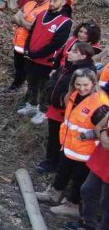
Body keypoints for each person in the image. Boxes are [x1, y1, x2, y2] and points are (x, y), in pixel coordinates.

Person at [35, 69, 109, 218]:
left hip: (85, 152)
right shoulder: (74, 95)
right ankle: (54, 193)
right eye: (78, 84)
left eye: (85, 85)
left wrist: (85, 136)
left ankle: (73, 205)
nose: (82, 88)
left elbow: (103, 129)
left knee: (78, 180)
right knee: (63, 171)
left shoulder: (101, 103)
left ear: (93, 83)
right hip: (69, 145)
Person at [36, 42, 96, 174]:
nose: (69, 53)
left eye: (74, 51)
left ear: (83, 56)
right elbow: (54, 79)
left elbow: (80, 94)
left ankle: (53, 164)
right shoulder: (68, 66)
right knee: (53, 136)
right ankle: (50, 160)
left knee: (58, 138)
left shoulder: (85, 73)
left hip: (66, 112)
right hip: (55, 108)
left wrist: (63, 100)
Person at [18, 0, 73, 118]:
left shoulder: (65, 22)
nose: (52, 3)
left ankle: (42, 111)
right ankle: (31, 105)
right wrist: (27, 49)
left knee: (44, 87)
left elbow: (56, 44)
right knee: (31, 83)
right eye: (51, 0)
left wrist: (37, 54)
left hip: (46, 61)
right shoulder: (42, 14)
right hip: (31, 57)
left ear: (63, 2)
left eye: (55, 1)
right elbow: (31, 33)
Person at [69, 114, 109, 230]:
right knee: (87, 190)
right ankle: (89, 224)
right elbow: (98, 126)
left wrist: (103, 132)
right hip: (102, 160)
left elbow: (106, 143)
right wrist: (102, 131)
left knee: (106, 203)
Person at [7, 0, 52, 91]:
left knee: (25, 69)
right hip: (18, 42)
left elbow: (32, 28)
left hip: (29, 45)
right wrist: (24, 22)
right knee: (18, 67)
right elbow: (14, 17)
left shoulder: (46, 11)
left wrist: (21, 19)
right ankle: (16, 85)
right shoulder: (30, 3)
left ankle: (20, 87)